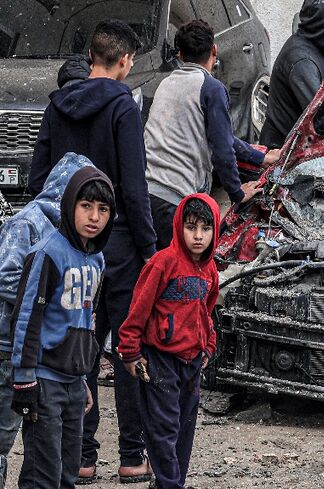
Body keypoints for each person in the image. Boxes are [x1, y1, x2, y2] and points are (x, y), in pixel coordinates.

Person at [27, 19, 156, 483]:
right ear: (124, 61)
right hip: (117, 244)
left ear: (89, 56)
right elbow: (135, 187)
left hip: (65, 242)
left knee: (74, 344)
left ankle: (82, 455)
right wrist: (148, 247)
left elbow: (38, 178)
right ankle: (131, 454)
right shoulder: (124, 106)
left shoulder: (57, 105)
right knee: (125, 345)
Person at [10, 166, 113, 489]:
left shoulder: (97, 260)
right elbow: (25, 317)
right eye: (86, 206)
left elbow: (84, 324)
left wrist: (83, 379)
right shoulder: (47, 254)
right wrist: (24, 378)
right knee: (44, 471)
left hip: (72, 382)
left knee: (70, 468)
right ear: (69, 205)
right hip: (43, 380)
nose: (94, 216)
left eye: (103, 209)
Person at [144, 19, 276, 250]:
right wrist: (236, 193)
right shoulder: (211, 88)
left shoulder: (166, 83)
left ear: (180, 55)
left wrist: (260, 157)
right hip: (175, 199)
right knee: (182, 278)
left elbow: (220, 137)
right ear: (214, 50)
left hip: (146, 194)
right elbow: (222, 150)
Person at [118, 194, 220, 489]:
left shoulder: (210, 269)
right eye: (191, 227)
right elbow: (138, 309)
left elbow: (207, 311)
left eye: (205, 228)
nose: (198, 236)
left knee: (184, 428)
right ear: (179, 227)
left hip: (191, 361)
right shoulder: (163, 263)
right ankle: (170, 483)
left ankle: (171, 481)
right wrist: (130, 352)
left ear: (215, 231)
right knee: (163, 427)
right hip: (160, 358)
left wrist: (208, 346)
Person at [258, 0, 324, 149]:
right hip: (281, 151)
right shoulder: (302, 61)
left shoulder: (319, 48)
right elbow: (323, 115)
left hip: (299, 144)